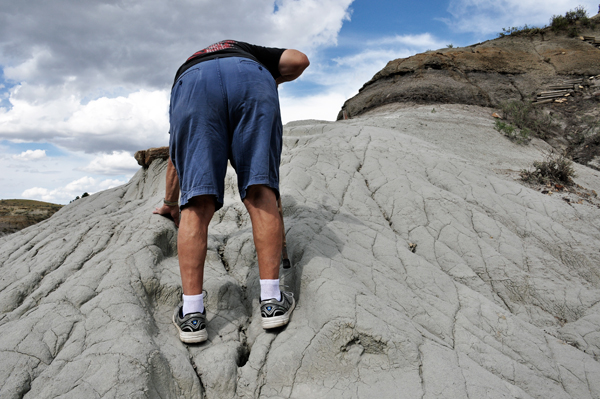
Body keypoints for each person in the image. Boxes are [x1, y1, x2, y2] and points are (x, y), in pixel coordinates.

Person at [154, 40, 309, 343]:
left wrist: (171, 202)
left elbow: (177, 155)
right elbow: (299, 60)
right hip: (253, 78)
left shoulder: (190, 65)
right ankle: (272, 301)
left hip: (192, 84)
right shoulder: (248, 52)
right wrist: (270, 79)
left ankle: (192, 315)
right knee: (260, 191)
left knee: (196, 205)